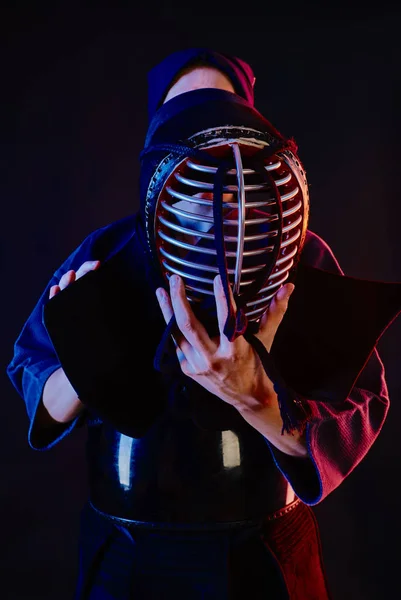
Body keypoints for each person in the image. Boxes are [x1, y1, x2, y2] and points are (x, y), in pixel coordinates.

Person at [6, 48, 401, 600]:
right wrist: (84, 368)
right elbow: (32, 374)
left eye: (223, 107)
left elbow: (362, 406)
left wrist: (257, 398)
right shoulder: (104, 255)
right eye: (187, 108)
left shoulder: (301, 259)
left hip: (264, 551)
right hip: (125, 550)